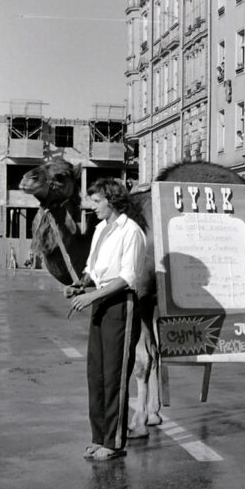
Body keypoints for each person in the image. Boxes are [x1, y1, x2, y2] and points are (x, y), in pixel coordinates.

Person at [65, 178, 145, 462]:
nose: (92, 206)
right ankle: (99, 437)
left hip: (120, 304)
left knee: (114, 375)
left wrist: (91, 296)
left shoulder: (131, 231)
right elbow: (92, 268)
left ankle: (115, 442)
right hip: (100, 300)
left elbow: (127, 277)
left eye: (97, 201)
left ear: (111, 200)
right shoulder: (100, 229)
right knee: (96, 374)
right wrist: (80, 285)